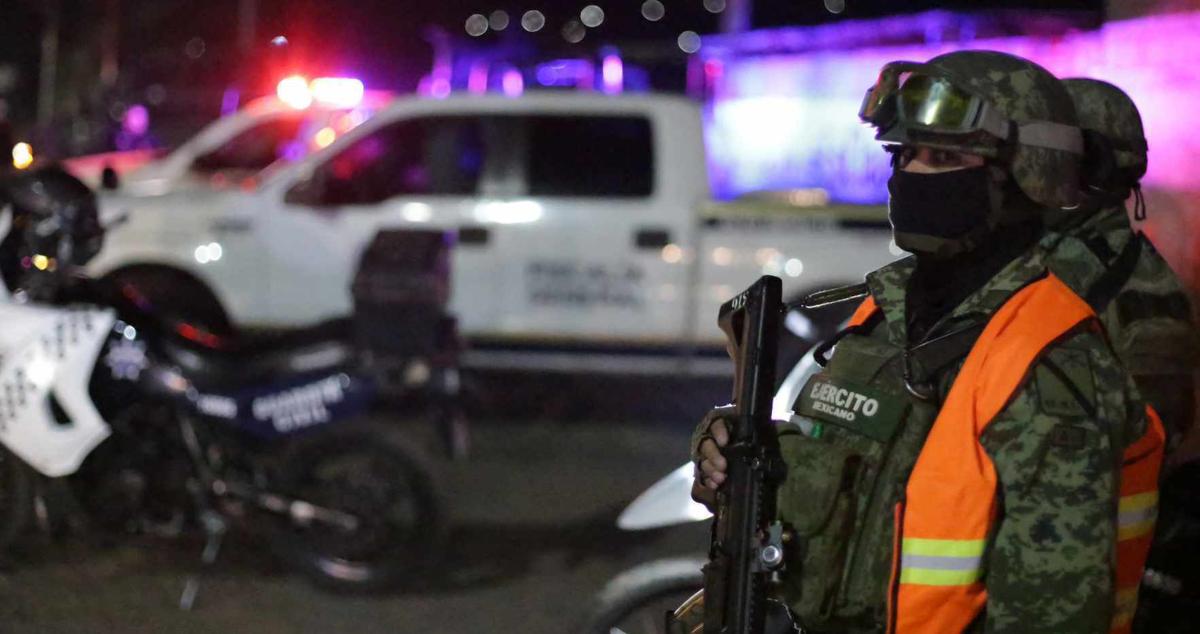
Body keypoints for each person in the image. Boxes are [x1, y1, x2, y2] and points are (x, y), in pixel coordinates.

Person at [691, 51, 1164, 634]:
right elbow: (847, 483)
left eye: (943, 157)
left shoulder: (1048, 363)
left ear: (1026, 176)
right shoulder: (888, 317)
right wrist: (736, 452)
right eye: (902, 154)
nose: (909, 175)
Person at [1040, 78, 1198, 461]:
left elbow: (1152, 443)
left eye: (1043, 153)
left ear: (1092, 165)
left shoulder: (1139, 293)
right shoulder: (1042, 259)